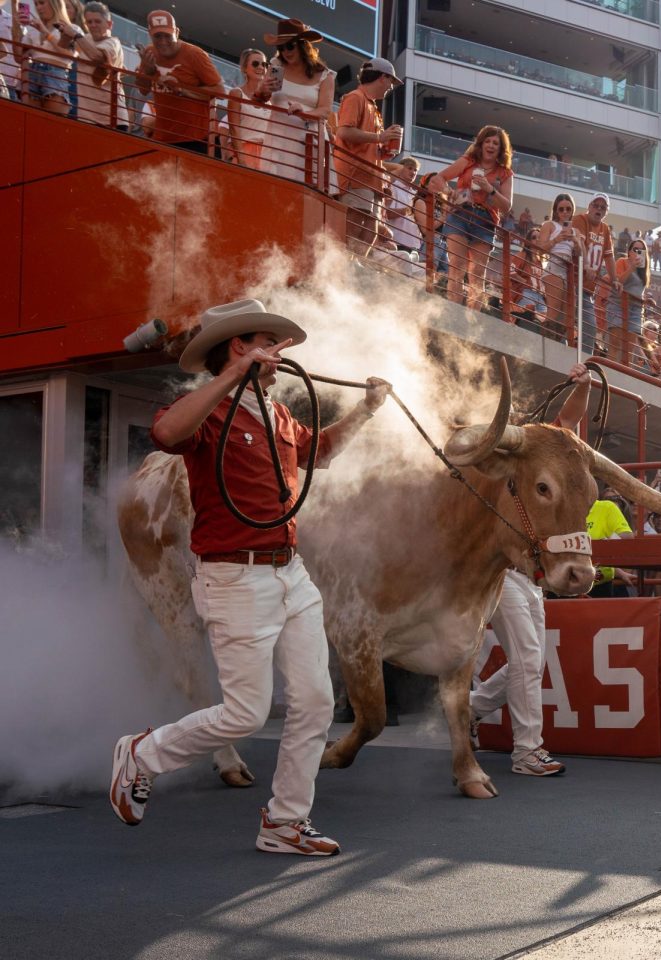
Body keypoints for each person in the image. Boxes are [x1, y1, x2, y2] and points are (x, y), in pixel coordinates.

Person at [109, 299, 389, 856]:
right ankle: (141, 755)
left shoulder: (278, 415)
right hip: (233, 578)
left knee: (314, 702)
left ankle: (286, 821)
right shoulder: (206, 410)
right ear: (239, 347)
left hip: (291, 572)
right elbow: (166, 433)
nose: (282, 354)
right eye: (269, 342)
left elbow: (323, 452)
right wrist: (233, 376)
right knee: (244, 712)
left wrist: (369, 408)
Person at [470, 363, 593, 778]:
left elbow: (570, 421)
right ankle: (527, 751)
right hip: (503, 569)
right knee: (526, 657)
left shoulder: (545, 446)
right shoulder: (500, 452)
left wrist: (585, 385)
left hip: (532, 573)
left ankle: (468, 709)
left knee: (532, 659)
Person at [435, 125, 515, 310]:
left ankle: (472, 319)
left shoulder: (505, 173)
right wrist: (449, 192)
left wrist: (490, 189)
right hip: (460, 214)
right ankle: (453, 311)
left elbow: (506, 206)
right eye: (487, 141)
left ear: (501, 149)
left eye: (496, 143)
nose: (491, 145)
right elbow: (439, 178)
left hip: (485, 220)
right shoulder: (468, 161)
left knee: (477, 273)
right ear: (480, 143)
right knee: (457, 264)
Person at [334, 57, 404, 257]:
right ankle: (345, 270)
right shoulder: (355, 97)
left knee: (371, 231)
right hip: (355, 175)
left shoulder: (372, 105)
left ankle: (353, 272)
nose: (391, 87)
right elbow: (344, 133)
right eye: (391, 81)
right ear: (383, 77)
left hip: (371, 179)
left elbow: (366, 141)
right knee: (354, 228)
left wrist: (382, 149)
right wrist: (380, 137)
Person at [134, 9, 224, 152]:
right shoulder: (150, 53)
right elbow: (143, 91)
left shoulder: (195, 54)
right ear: (150, 34)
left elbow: (220, 91)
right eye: (158, 36)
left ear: (176, 32)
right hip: (163, 137)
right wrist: (149, 72)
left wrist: (181, 89)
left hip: (195, 139)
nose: (163, 42)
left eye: (168, 35)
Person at [262, 19, 334, 183]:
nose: (285, 51)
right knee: (273, 188)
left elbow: (325, 110)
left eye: (290, 46)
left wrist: (304, 113)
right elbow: (262, 97)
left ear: (303, 45)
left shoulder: (324, 75)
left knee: (307, 194)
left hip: (308, 140)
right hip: (279, 137)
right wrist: (262, 91)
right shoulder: (277, 65)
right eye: (281, 47)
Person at [569, 192, 617, 355]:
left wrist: (615, 279)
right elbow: (579, 243)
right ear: (589, 207)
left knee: (590, 327)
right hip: (573, 282)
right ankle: (563, 353)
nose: (598, 209)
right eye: (595, 205)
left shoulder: (605, 229)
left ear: (606, 212)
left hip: (588, 289)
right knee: (569, 321)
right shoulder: (580, 219)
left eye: (603, 207)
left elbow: (609, 256)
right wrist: (587, 265)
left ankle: (584, 362)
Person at [534, 193, 582, 341]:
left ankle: (555, 346)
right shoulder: (549, 225)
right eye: (561, 209)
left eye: (568, 209)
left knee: (566, 315)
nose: (565, 212)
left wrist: (574, 240)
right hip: (554, 266)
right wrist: (557, 239)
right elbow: (540, 249)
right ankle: (546, 347)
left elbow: (581, 254)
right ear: (555, 210)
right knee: (554, 312)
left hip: (567, 270)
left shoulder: (576, 231)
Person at [19, 0, 76, 117]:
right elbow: (19, 56)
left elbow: (69, 54)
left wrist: (45, 32)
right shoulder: (32, 28)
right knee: (30, 120)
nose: (38, 7)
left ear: (55, 3)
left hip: (55, 74)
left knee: (53, 122)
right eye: (36, 4)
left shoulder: (71, 28)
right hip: (32, 72)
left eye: (42, 3)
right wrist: (16, 25)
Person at [73, 2, 125, 128]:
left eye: (97, 21)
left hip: (111, 119)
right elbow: (63, 49)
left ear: (109, 24)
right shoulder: (85, 39)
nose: (93, 25)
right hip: (86, 116)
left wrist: (75, 35)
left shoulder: (113, 43)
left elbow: (97, 57)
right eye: (89, 22)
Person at [225, 48, 272, 170]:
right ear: (244, 68)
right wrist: (241, 159)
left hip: (267, 155)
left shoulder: (271, 99)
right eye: (255, 63)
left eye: (264, 64)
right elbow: (234, 128)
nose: (261, 67)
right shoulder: (236, 93)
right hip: (245, 151)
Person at [611, 236, 650, 365]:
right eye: (635, 249)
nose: (638, 252)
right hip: (618, 304)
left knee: (630, 348)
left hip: (636, 308)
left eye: (641, 250)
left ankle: (623, 374)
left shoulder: (643, 270)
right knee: (615, 343)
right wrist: (631, 267)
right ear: (629, 251)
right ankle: (609, 372)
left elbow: (639, 290)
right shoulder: (622, 262)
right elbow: (618, 282)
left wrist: (646, 300)